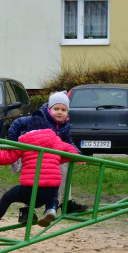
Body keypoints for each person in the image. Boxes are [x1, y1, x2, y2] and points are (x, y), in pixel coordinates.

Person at [0, 128, 80, 234]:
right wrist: (55, 159)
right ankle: (51, 207)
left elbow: (3, 158)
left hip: (32, 188)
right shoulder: (56, 140)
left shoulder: (24, 142)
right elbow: (72, 152)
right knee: (53, 184)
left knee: (8, 196)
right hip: (50, 190)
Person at [8, 91, 87, 220]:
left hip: (50, 157)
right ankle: (27, 210)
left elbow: (69, 142)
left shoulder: (64, 125)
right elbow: (17, 124)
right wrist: (15, 145)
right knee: (32, 181)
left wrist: (78, 154)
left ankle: (66, 203)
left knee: (64, 167)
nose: (60, 112)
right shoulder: (39, 117)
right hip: (31, 154)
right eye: (56, 109)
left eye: (63, 109)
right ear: (49, 109)